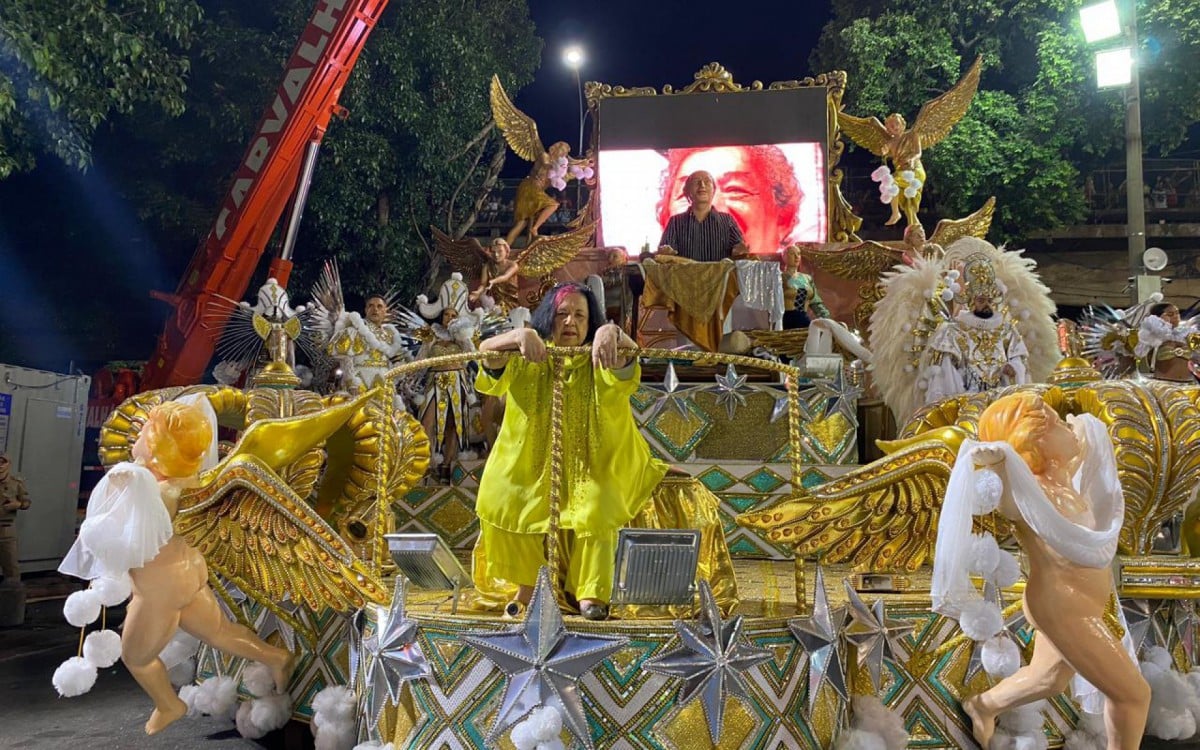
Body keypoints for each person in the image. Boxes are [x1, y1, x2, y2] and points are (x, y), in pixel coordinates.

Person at [59, 402, 294, 735]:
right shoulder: (179, 480)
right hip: (186, 574)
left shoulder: (160, 488)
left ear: (158, 443)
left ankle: (169, 704)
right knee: (218, 633)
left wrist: (128, 483)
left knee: (137, 657)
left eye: (143, 431)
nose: (136, 437)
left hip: (161, 587)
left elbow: (123, 531)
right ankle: (275, 657)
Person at [932, 393, 1148, 750]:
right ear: (1035, 441)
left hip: (1080, 602)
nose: (1069, 424)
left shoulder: (1069, 483)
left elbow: (1090, 444)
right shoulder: (1027, 491)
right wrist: (1000, 462)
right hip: (1061, 604)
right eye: (1056, 423)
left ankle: (983, 706)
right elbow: (1001, 489)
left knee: (1049, 679)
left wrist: (1079, 427)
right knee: (1133, 695)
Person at [473, 283, 668, 620]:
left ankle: (591, 593)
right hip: (527, 465)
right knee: (500, 496)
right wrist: (518, 337)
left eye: (580, 315)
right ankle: (528, 587)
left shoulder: (601, 354)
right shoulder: (524, 356)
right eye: (562, 313)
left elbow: (630, 358)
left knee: (599, 503)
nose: (570, 322)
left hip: (591, 466)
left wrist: (613, 331)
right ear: (549, 317)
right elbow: (486, 351)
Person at [657, 145, 802, 259]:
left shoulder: (727, 221)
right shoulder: (676, 223)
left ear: (783, 218)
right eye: (695, 185)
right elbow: (664, 253)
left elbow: (739, 248)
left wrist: (740, 251)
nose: (718, 204)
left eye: (736, 190)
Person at [923, 253, 1029, 403]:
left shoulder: (1007, 330)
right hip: (968, 401)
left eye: (990, 300)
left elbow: (1018, 359)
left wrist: (1013, 368)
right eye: (981, 300)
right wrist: (962, 400)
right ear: (971, 301)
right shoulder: (953, 332)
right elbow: (946, 373)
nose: (987, 305)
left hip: (1003, 399)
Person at [326, 294, 412, 395]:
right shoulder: (355, 330)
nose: (375, 309)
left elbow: (398, 360)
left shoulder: (391, 335)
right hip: (360, 379)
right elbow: (345, 357)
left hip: (384, 383)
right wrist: (351, 382)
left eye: (379, 306)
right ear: (366, 309)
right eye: (371, 306)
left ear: (385, 311)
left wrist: (397, 375)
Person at [507, 141, 571, 244]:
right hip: (529, 187)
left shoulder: (556, 170)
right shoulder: (544, 156)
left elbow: (564, 175)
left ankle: (507, 247)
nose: (563, 154)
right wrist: (561, 167)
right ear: (555, 148)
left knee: (523, 223)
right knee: (553, 204)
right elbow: (546, 165)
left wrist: (578, 166)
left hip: (535, 190)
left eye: (565, 152)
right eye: (562, 150)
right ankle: (535, 228)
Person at [1136, 302, 1198, 382]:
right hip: (1163, 386)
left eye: (1177, 313)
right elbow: (1139, 353)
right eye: (1170, 314)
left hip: (1188, 385)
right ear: (1158, 318)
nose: (1176, 316)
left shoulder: (1187, 333)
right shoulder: (1152, 335)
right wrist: (1162, 324)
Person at [781, 244, 830, 329]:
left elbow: (815, 302)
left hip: (803, 319)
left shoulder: (807, 278)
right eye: (792, 254)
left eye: (799, 254)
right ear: (784, 257)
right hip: (786, 320)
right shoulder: (779, 277)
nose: (797, 257)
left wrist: (827, 318)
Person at [0, 454, 30, 583]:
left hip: (7, 529)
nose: (0, 465)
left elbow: (27, 502)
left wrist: (17, 504)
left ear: (8, 464)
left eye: (3, 462)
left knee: (11, 566)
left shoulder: (16, 483)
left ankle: (12, 597)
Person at [469, 238, 521, 312]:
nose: (496, 255)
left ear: (506, 251)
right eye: (493, 252)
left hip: (510, 302)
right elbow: (483, 284)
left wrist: (493, 281)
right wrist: (478, 292)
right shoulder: (487, 267)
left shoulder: (513, 265)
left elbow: (505, 277)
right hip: (494, 302)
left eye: (500, 251)